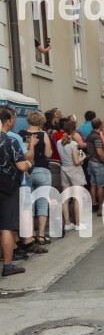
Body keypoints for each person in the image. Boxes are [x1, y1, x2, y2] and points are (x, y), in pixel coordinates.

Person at [0, 106, 32, 276]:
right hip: (7, 188)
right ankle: (7, 266)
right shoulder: (10, 141)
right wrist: (28, 164)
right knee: (6, 227)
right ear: (8, 121)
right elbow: (21, 165)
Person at [25, 112, 53, 244]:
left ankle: (31, 234)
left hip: (27, 171)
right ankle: (41, 235)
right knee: (42, 203)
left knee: (29, 204)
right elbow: (48, 154)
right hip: (42, 170)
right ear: (41, 121)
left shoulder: (22, 134)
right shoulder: (43, 134)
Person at [57, 121, 88, 232]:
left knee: (65, 198)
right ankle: (78, 224)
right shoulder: (73, 144)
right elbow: (76, 161)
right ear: (74, 130)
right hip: (75, 171)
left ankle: (67, 223)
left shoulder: (59, 142)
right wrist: (83, 156)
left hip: (64, 169)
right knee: (77, 198)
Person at [85, 118, 104, 217]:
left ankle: (93, 204)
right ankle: (101, 206)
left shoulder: (89, 136)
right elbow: (100, 152)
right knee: (100, 185)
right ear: (100, 126)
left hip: (90, 162)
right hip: (98, 163)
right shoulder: (97, 138)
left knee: (93, 184)